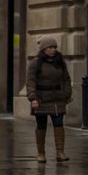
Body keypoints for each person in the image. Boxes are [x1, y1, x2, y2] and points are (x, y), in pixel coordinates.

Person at [26, 35, 72, 163]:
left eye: (54, 47)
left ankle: (60, 152)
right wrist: (33, 98)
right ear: (44, 49)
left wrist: (66, 93)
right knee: (41, 125)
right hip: (41, 98)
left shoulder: (59, 61)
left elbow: (66, 79)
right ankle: (41, 153)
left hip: (57, 98)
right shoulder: (35, 63)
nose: (53, 50)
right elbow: (30, 81)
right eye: (50, 47)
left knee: (58, 123)